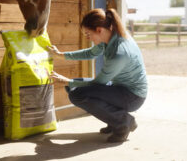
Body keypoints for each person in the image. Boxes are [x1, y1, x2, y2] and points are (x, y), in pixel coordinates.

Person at [47, 8, 147, 143]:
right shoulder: (110, 37)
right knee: (74, 87)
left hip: (132, 96)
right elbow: (90, 53)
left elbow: (97, 84)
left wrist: (66, 80)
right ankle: (114, 120)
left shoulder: (120, 52)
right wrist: (61, 55)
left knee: (77, 94)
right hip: (119, 88)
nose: (87, 38)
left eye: (88, 34)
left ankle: (124, 123)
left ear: (99, 30)